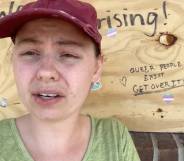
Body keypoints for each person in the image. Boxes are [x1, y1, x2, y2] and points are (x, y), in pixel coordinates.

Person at [0, 0, 140, 161]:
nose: (46, 72)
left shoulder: (114, 139)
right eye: (30, 53)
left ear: (96, 68)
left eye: (68, 55)